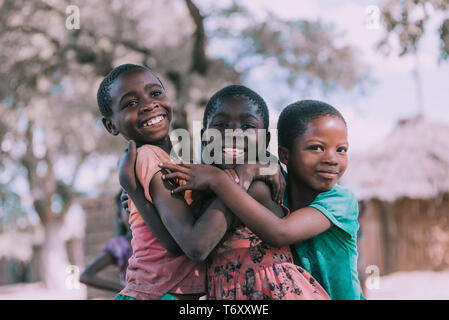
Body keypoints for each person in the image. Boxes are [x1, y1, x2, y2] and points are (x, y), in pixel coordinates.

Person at [128, 84, 330, 300]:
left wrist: (242, 172)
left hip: (271, 292)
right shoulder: (212, 187)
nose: (233, 134)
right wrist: (134, 192)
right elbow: (173, 242)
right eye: (221, 125)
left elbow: (197, 247)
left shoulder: (256, 187)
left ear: (265, 141)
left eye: (248, 126)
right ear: (205, 137)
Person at [163, 100, 364, 300]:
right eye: (317, 148)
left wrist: (218, 181)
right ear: (285, 155)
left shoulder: (340, 201)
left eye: (341, 150)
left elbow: (280, 233)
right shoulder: (274, 187)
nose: (332, 159)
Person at [80, 190, 132, 293]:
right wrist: (127, 290)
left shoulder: (158, 238)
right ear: (119, 216)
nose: (134, 211)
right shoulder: (119, 246)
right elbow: (86, 276)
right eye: (127, 208)